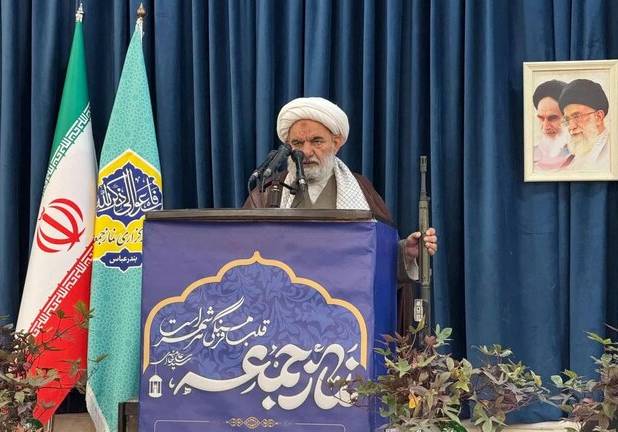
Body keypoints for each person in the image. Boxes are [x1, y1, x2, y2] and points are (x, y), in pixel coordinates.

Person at [243, 96, 437, 287]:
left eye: (317, 141)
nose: (306, 152)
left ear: (336, 143)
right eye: (297, 143)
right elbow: (243, 255)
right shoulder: (268, 192)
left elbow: (376, 259)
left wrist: (405, 254)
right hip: (283, 299)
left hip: (345, 298)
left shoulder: (361, 189)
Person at [558, 78, 609, 171]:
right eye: (567, 120)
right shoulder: (571, 159)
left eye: (577, 116)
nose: (571, 127)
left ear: (598, 117)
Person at [532, 80, 571, 170]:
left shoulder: (583, 157)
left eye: (552, 118)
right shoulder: (530, 156)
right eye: (541, 118)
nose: (545, 127)